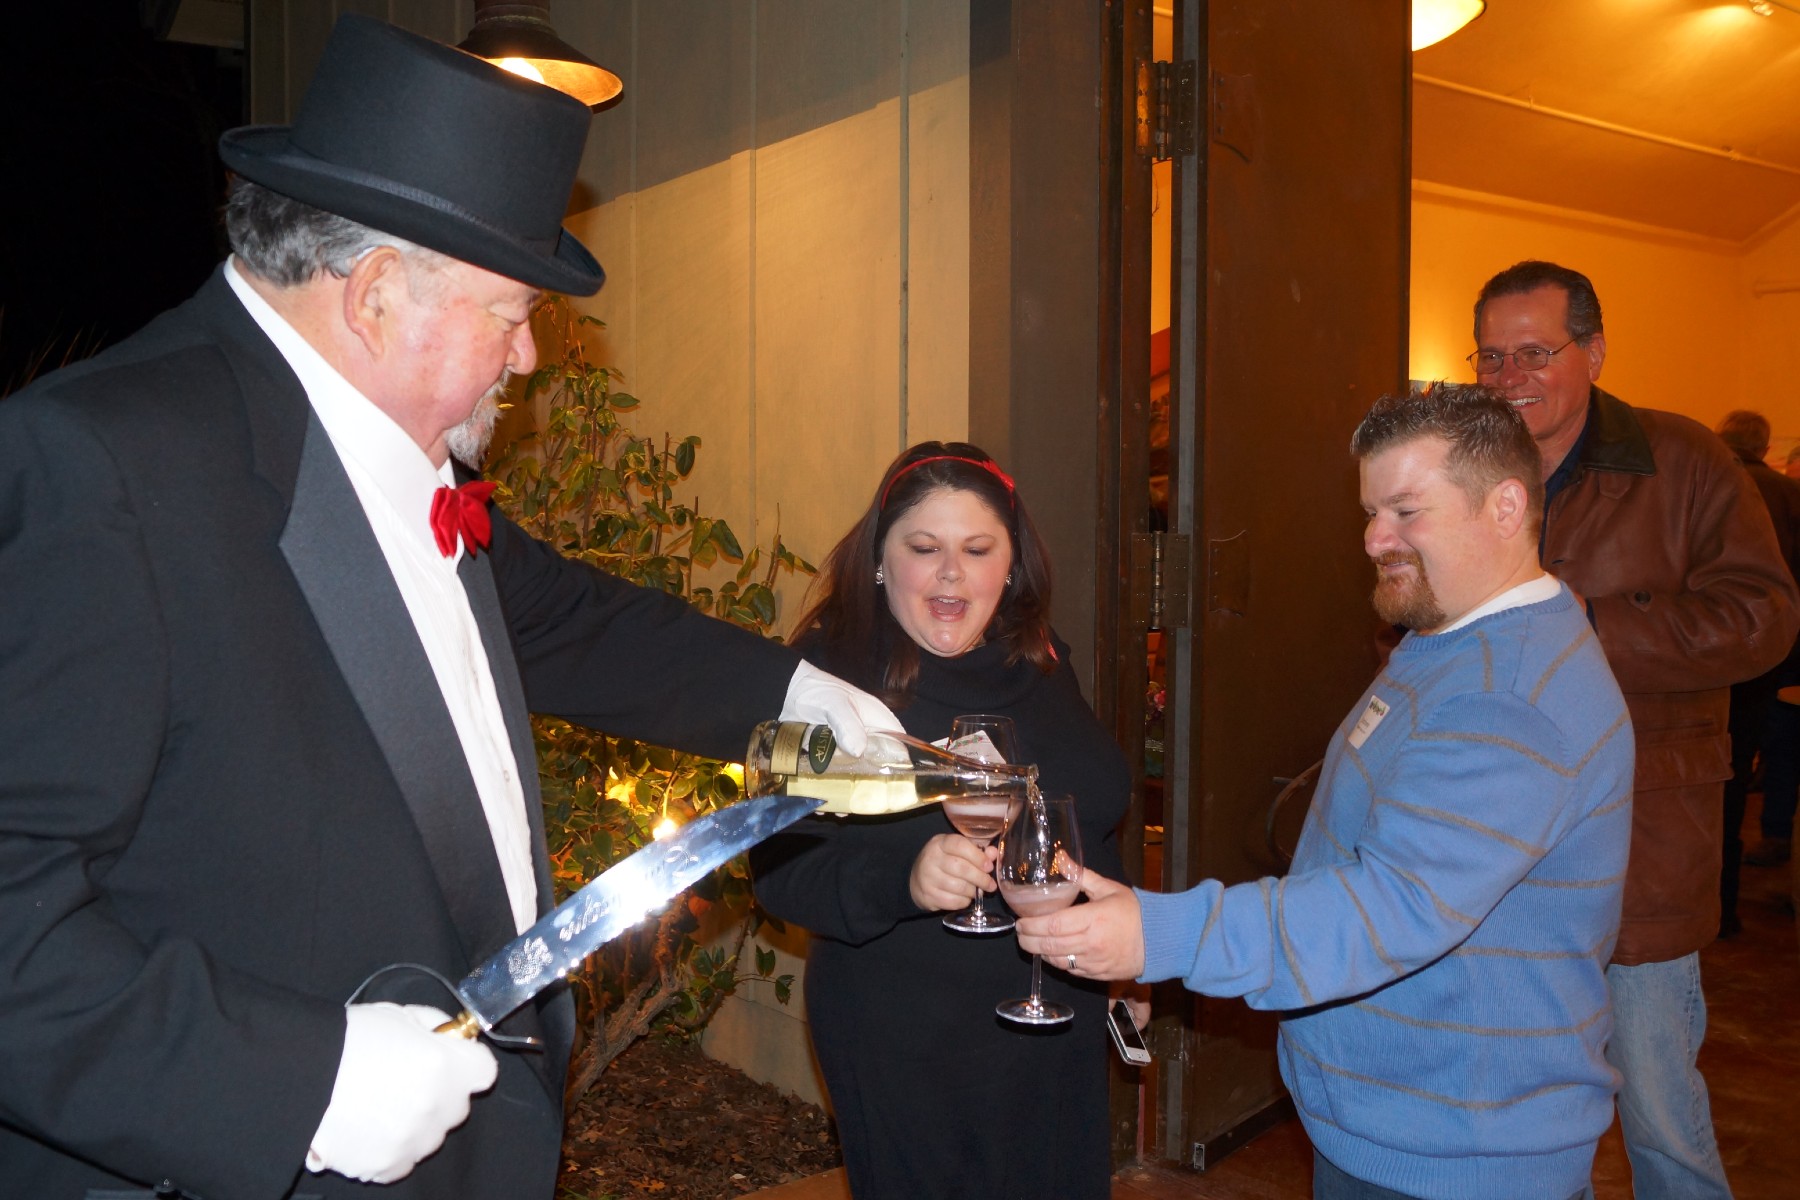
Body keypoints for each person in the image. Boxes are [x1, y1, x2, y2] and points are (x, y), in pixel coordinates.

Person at [0, 17, 895, 1200]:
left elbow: (569, 619)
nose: (527, 359)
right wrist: (292, 1084)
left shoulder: (401, 456)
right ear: (374, 294)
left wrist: (796, 693)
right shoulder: (104, 467)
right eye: (508, 312)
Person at [1018, 384, 1635, 1200]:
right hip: (1408, 1124)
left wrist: (1160, 938)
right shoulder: (1450, 640)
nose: (1377, 538)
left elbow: (1387, 907)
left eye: (1406, 511)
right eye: (1372, 512)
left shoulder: (1508, 695)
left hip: (1456, 1156)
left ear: (1506, 506)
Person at [1465, 262, 1797, 1198]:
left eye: (1536, 351)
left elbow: (1765, 617)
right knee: (1518, 1102)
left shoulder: (1684, 460)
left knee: (1658, 1108)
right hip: (1493, 834)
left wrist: (1594, 625)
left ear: (1596, 351)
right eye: (1492, 355)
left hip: (1642, 831)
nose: (1510, 375)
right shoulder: (1469, 463)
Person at [750, 442, 1131, 1200]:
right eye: (924, 549)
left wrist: (1126, 957)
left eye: (977, 549)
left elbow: (1097, 817)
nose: (951, 572)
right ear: (881, 561)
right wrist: (905, 877)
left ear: (1012, 565)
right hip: (904, 1032)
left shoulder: (1045, 661)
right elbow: (779, 873)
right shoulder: (820, 683)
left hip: (1055, 1012)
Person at [1715, 410, 1800, 876]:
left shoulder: (1701, 485)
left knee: (1719, 765)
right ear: (1765, 448)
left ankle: (1719, 892)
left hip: (1709, 648)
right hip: (1778, 650)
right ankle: (1771, 840)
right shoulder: (1790, 495)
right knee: (1771, 750)